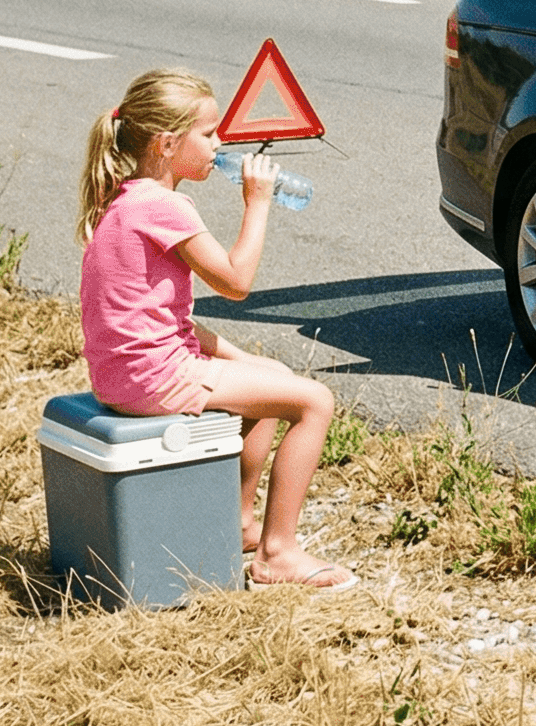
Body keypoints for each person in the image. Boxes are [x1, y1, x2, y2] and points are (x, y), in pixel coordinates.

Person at [77, 68, 354, 591]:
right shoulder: (165, 206)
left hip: (122, 374)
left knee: (269, 378)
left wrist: (240, 358)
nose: (219, 144)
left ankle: (240, 522)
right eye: (207, 135)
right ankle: (279, 553)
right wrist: (258, 203)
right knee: (314, 401)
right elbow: (236, 281)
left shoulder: (122, 198)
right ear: (165, 143)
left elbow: (158, 318)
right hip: (156, 378)